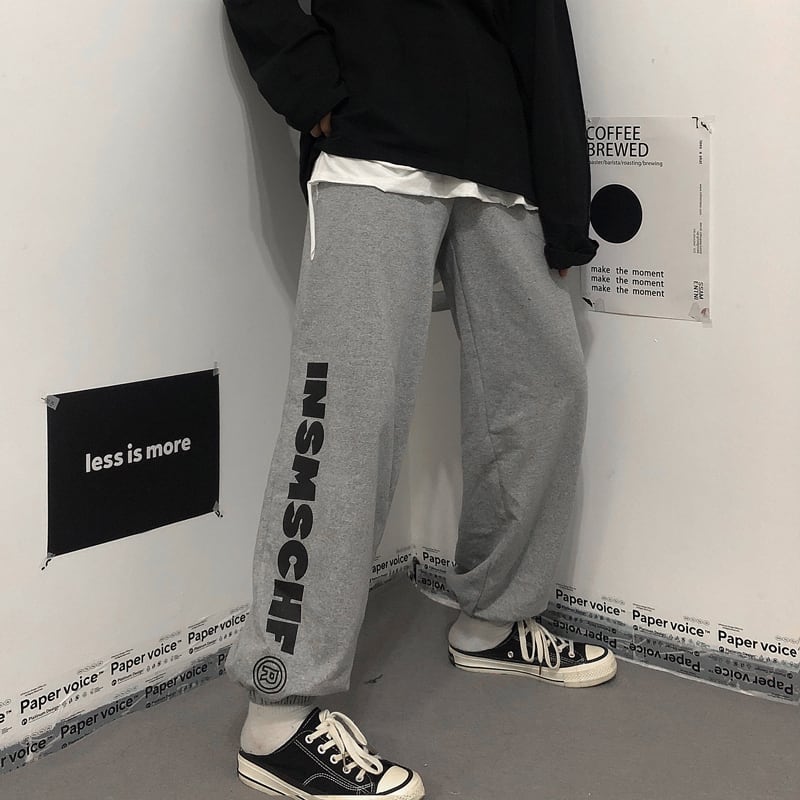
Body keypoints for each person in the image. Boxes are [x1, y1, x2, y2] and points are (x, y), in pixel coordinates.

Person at [222, 1, 615, 797]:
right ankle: (278, 709)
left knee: (543, 389)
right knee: (346, 414)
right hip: (373, 143)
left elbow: (543, 29)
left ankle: (493, 619)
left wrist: (565, 202)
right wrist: (306, 79)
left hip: (504, 164)